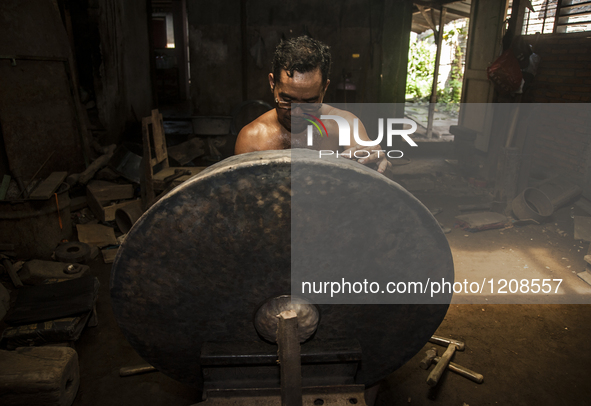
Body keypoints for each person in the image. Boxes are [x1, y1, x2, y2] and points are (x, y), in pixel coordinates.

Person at [235, 36, 391, 174]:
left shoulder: (344, 125)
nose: (297, 113)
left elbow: (373, 178)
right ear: (272, 83)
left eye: (309, 102)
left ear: (324, 89)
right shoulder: (252, 139)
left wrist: (378, 164)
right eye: (287, 100)